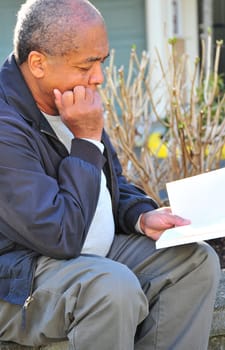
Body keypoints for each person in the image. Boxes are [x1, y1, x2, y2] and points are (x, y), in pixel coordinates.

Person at [0, 0, 220, 349]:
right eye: (87, 65)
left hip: (86, 259)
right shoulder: (5, 126)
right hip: (18, 279)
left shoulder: (69, 100)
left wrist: (139, 215)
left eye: (101, 61)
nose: (99, 77)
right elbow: (59, 236)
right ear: (38, 63)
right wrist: (86, 139)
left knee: (194, 262)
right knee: (112, 287)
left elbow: (108, 183)